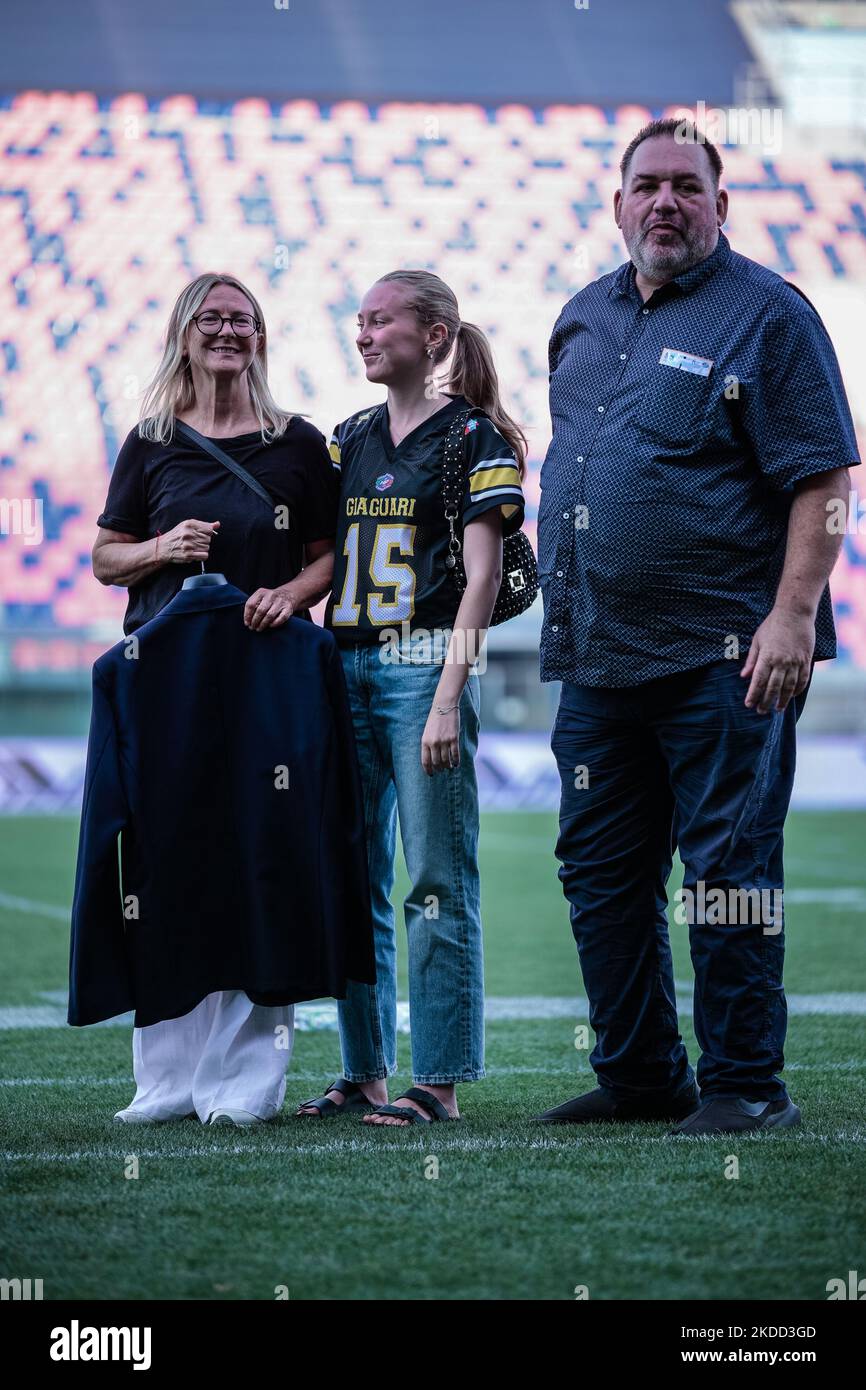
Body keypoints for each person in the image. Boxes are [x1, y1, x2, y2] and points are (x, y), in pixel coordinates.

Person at [535, 118, 858, 1137]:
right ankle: (639, 1077)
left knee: (724, 871)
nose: (664, 202)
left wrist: (792, 617)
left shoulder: (767, 313)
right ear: (616, 201)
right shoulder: (580, 317)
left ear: (719, 204)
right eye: (646, 185)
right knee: (598, 870)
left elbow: (822, 477)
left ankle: (745, 1086)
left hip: (725, 655)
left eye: (686, 185)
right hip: (595, 658)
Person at [90, 272, 341, 1127]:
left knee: (258, 866)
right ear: (185, 334)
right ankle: (165, 1083)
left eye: (244, 319)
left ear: (261, 337)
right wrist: (162, 546)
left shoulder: (298, 442)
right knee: (168, 870)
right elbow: (104, 558)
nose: (229, 331)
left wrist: (293, 596)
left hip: (266, 687)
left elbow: (327, 556)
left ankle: (242, 1087)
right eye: (213, 318)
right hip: (168, 686)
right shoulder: (151, 441)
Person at [296, 270, 526, 1125]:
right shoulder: (349, 436)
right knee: (351, 877)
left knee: (432, 876)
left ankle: (439, 1081)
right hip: (342, 663)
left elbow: (482, 578)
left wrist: (445, 695)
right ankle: (364, 1072)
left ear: (433, 336)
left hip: (425, 661)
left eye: (380, 320)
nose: (362, 334)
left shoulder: (472, 436)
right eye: (358, 321)